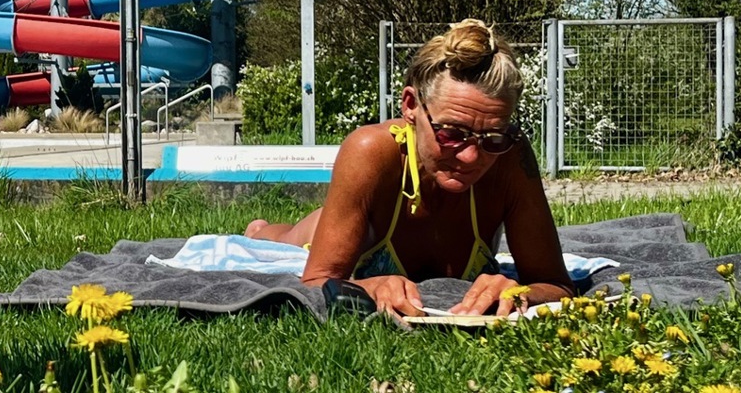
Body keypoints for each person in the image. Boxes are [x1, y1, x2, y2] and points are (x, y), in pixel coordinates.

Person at [245, 19, 575, 317]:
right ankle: (258, 228)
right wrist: (369, 286)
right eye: (451, 134)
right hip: (339, 225)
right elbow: (317, 278)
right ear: (410, 106)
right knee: (284, 237)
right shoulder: (370, 153)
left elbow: (555, 284)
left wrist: (523, 294)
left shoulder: (511, 157)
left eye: (493, 137)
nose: (471, 156)